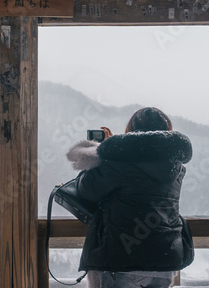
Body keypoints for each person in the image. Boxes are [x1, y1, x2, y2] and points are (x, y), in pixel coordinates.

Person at [66, 107, 194, 288]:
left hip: (122, 258)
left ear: (130, 129)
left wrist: (106, 154)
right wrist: (117, 151)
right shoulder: (176, 165)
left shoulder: (119, 163)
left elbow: (87, 189)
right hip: (165, 258)